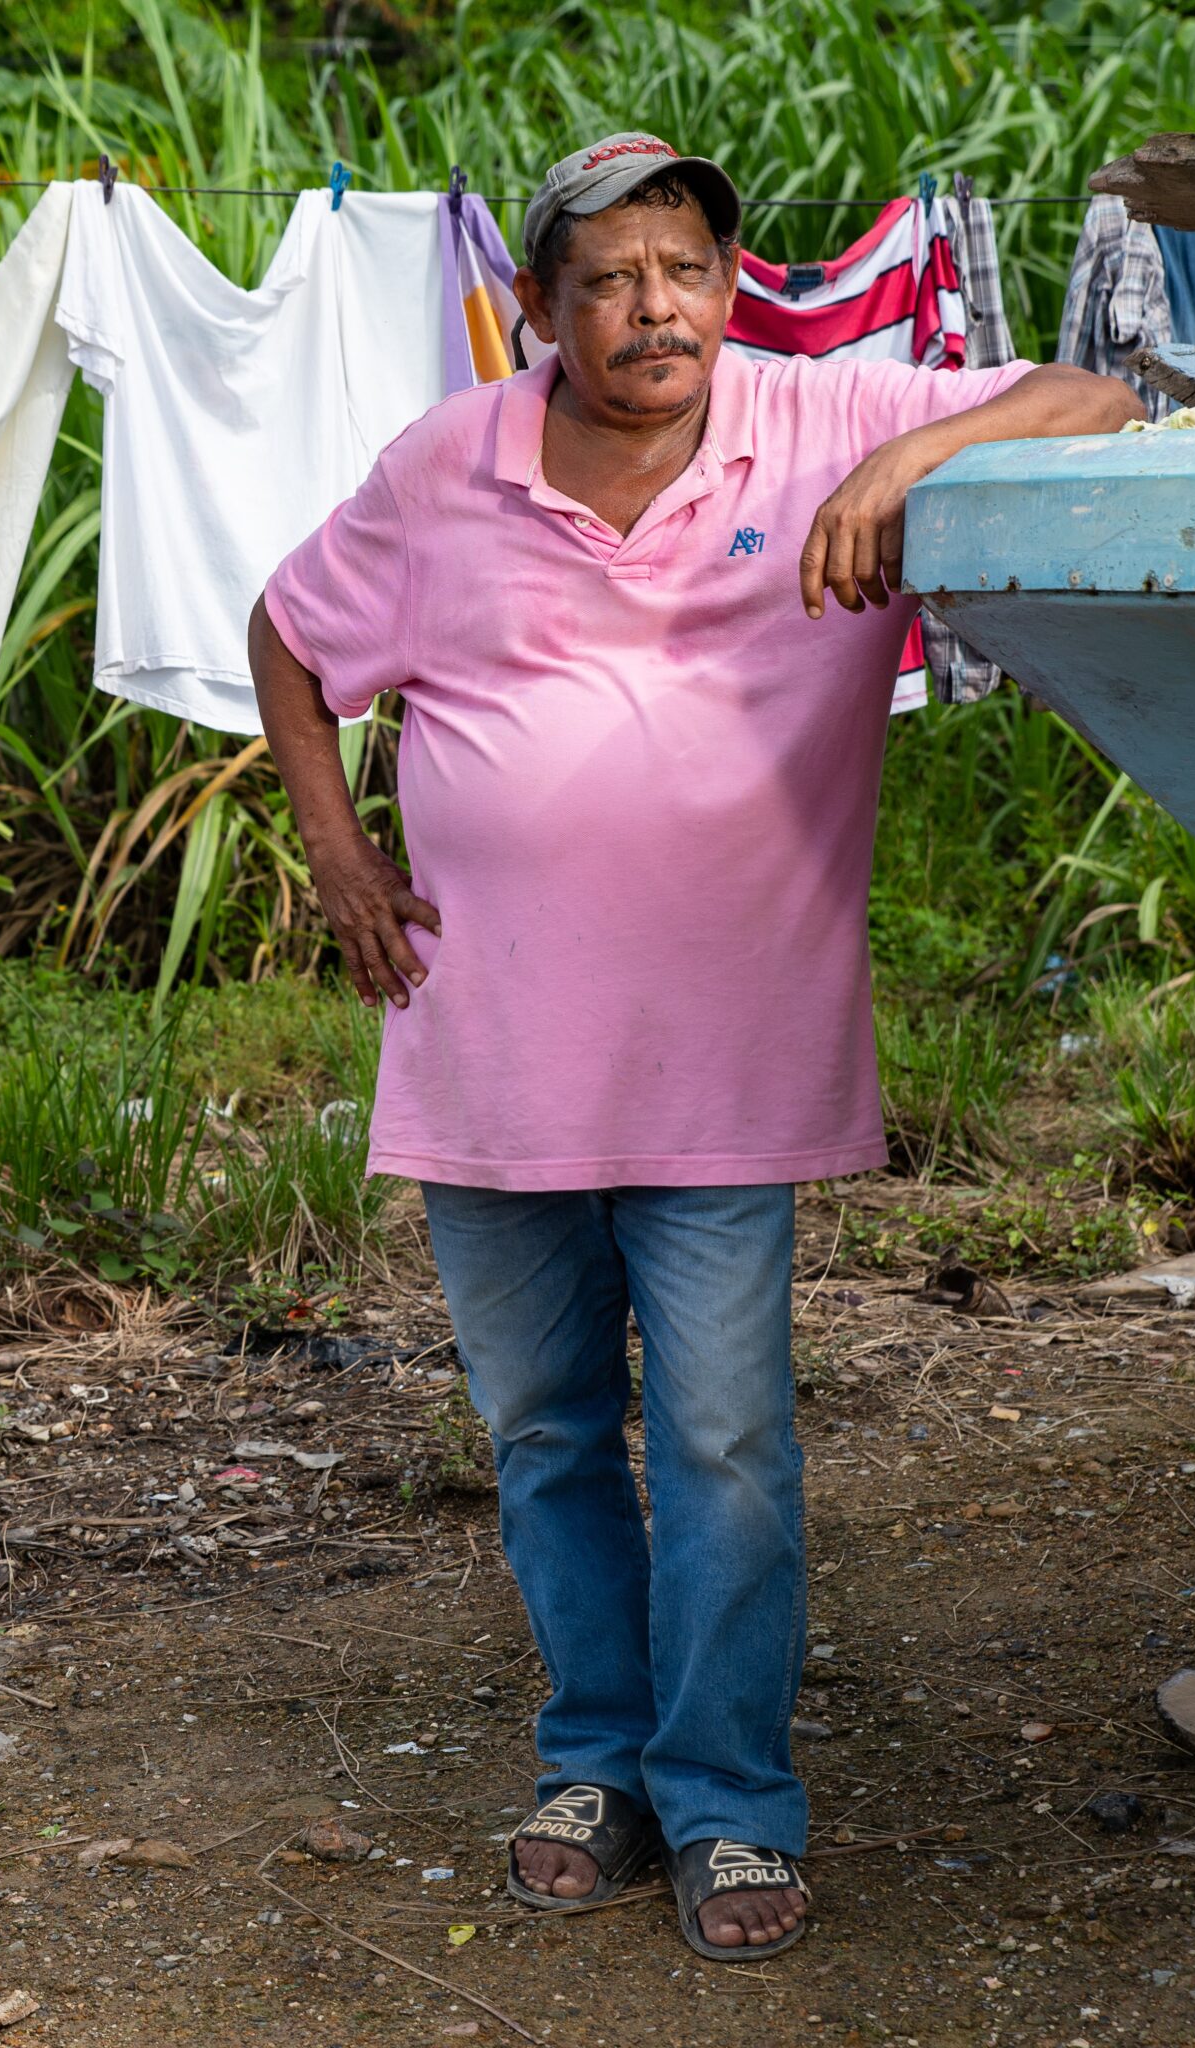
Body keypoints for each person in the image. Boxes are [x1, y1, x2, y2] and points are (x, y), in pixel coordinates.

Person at [250, 134, 1141, 1961]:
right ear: (538, 309)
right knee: (546, 1432)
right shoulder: (451, 466)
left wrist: (909, 459)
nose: (652, 308)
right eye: (607, 279)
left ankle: (731, 1798)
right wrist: (337, 846)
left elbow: (1101, 398)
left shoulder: (818, 419)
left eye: (683, 270)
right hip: (486, 1048)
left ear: (729, 282)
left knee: (727, 1440)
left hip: (728, 1058)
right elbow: (286, 625)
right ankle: (598, 1758)